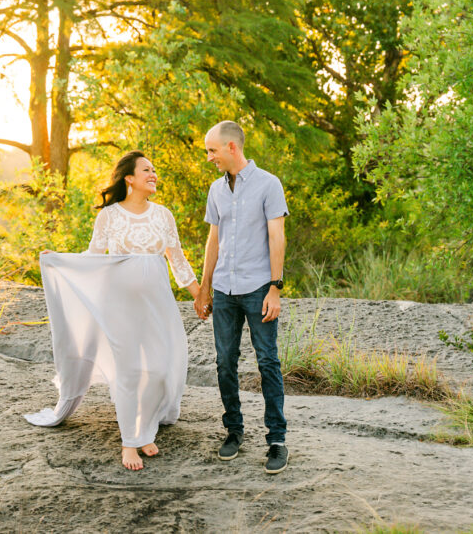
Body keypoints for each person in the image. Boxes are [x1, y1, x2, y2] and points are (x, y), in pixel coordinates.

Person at [26, 151, 200, 471]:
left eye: (155, 169)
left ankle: (145, 427)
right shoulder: (109, 215)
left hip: (157, 305)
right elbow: (94, 256)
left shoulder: (163, 215)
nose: (154, 174)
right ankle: (129, 442)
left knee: (160, 369)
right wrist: (61, 259)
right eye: (146, 170)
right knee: (130, 371)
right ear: (129, 179)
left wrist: (200, 294)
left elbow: (177, 260)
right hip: (119, 304)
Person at [193, 121, 290, 474]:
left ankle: (276, 440)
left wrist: (275, 287)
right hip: (224, 291)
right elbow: (213, 240)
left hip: (258, 290)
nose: (209, 157)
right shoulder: (216, 190)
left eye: (212, 150)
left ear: (231, 148)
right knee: (224, 362)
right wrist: (204, 287)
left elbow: (276, 237)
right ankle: (234, 431)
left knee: (267, 362)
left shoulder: (269, 184)